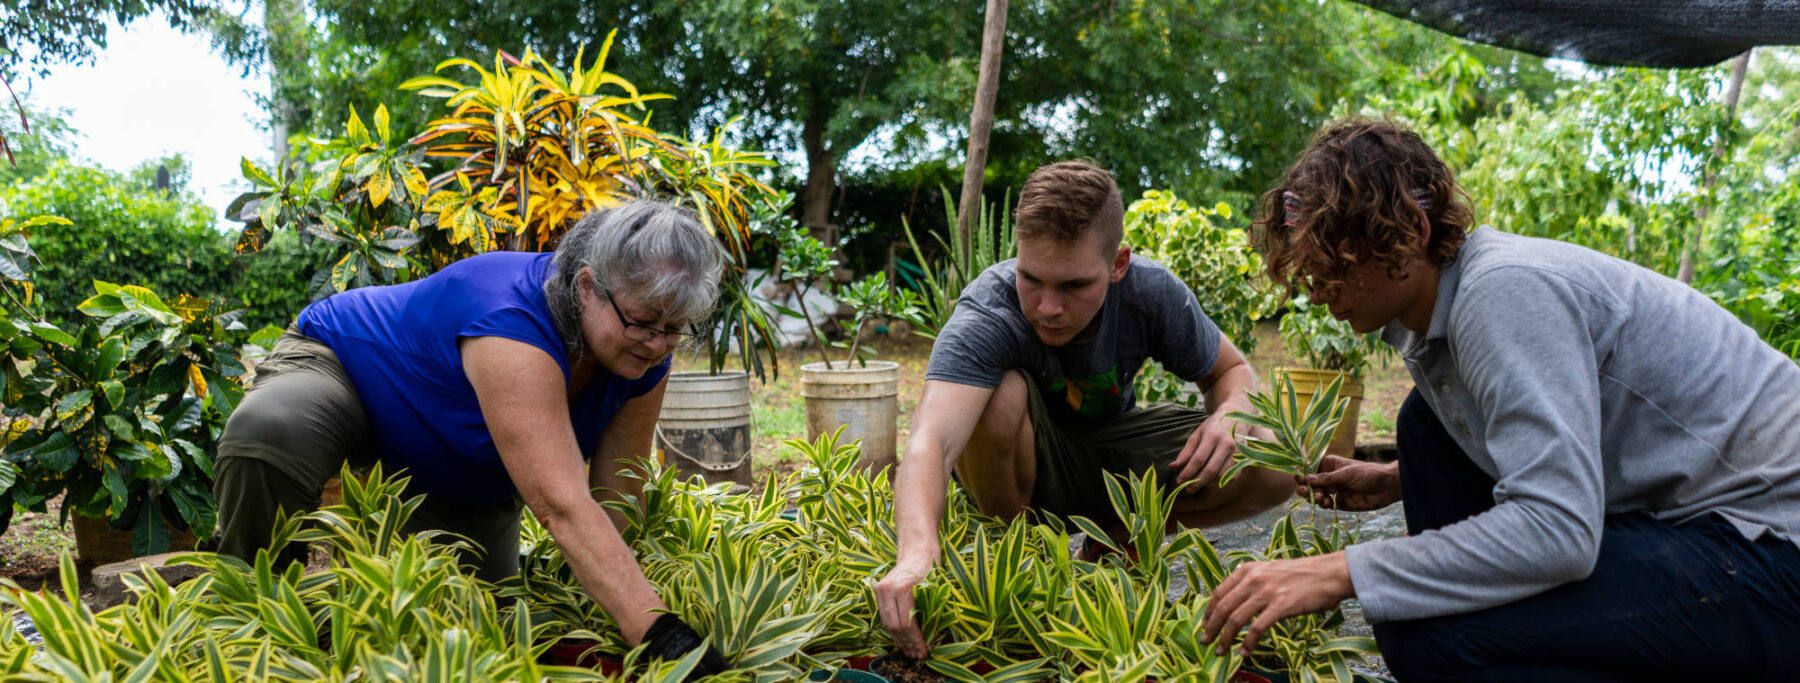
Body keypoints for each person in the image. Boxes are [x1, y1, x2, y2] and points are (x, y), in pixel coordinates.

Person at [1200, 117, 1800, 680]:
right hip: (1698, 526)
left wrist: (1340, 572)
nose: (1316, 287)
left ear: (1411, 232)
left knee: (1421, 630)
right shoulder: (1444, 312)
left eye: (1334, 261)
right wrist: (1397, 480)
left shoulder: (1504, 293)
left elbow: (1559, 528)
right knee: (1424, 428)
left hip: (1768, 551)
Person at [214, 199, 729, 674]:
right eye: (643, 322)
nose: (659, 344)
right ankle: (245, 603)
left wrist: (615, 608)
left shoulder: (643, 357)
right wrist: (660, 633)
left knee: (481, 631)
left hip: (454, 452)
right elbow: (560, 504)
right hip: (350, 370)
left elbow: (618, 493)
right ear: (588, 287)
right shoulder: (510, 319)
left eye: (676, 328)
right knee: (270, 431)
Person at [874, 161, 1294, 658]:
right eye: (1032, 278)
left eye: (1073, 286)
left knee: (1273, 457)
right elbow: (930, 441)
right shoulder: (988, 310)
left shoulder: (1150, 291)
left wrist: (1230, 413)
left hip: (1114, 456)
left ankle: (1118, 536)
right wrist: (915, 554)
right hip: (1022, 469)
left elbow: (1232, 371)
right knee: (1000, 396)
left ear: (1118, 264)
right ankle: (1024, 556)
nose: (1048, 307)